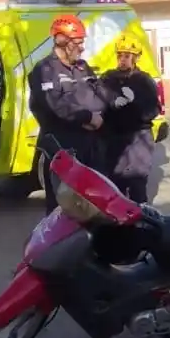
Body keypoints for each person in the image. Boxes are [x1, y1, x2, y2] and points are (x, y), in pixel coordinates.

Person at [28, 14, 109, 213]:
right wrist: (88, 118)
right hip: (62, 151)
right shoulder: (45, 69)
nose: (82, 47)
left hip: (90, 149)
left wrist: (99, 115)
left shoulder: (83, 67)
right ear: (61, 41)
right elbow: (54, 106)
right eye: (78, 42)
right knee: (61, 211)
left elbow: (100, 96)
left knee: (94, 207)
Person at [101, 36, 160, 203]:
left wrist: (135, 103)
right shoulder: (108, 79)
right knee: (114, 183)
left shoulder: (144, 80)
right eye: (120, 56)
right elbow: (98, 102)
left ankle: (141, 219)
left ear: (135, 58)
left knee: (137, 183)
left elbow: (153, 109)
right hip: (114, 137)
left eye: (127, 56)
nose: (122, 60)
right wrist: (111, 103)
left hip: (138, 137)